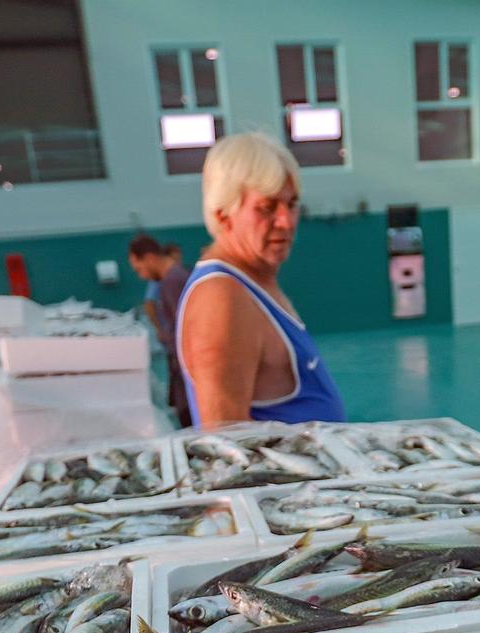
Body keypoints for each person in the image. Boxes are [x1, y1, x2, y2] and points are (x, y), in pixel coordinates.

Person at [177, 133, 345, 428]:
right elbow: (224, 447)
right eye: (267, 208)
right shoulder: (221, 299)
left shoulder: (254, 283)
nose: (286, 221)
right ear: (223, 215)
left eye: (291, 204)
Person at [129, 233, 192, 428]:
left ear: (149, 257)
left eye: (140, 269)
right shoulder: (172, 279)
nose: (142, 276)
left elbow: (186, 330)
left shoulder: (173, 282)